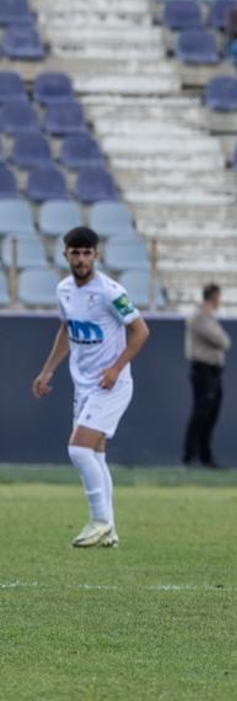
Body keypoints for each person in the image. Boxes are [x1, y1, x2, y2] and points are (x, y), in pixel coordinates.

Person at [30, 226, 151, 549]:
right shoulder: (64, 290)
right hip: (84, 384)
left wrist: (115, 368)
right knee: (95, 455)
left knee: (78, 448)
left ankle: (99, 521)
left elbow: (141, 331)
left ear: (96, 255)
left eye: (87, 253)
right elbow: (65, 330)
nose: (81, 258)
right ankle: (109, 530)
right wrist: (47, 371)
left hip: (111, 384)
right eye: (75, 252)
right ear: (65, 254)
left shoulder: (110, 291)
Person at [183, 283, 229, 468]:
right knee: (201, 413)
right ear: (213, 297)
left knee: (211, 415)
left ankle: (204, 455)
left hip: (214, 371)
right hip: (203, 370)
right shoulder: (200, 317)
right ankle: (190, 455)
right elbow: (222, 340)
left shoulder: (209, 317)